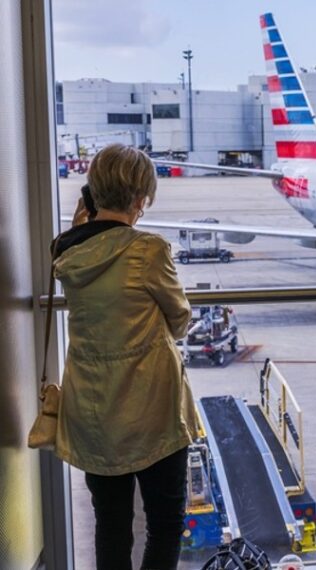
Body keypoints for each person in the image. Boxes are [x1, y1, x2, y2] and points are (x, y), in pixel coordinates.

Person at [52, 144, 196, 570]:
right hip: (153, 411)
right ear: (139, 198)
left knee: (111, 526)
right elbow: (180, 319)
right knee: (165, 524)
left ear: (91, 194)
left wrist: (83, 222)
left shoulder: (65, 252)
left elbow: (78, 244)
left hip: (93, 411)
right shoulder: (147, 250)